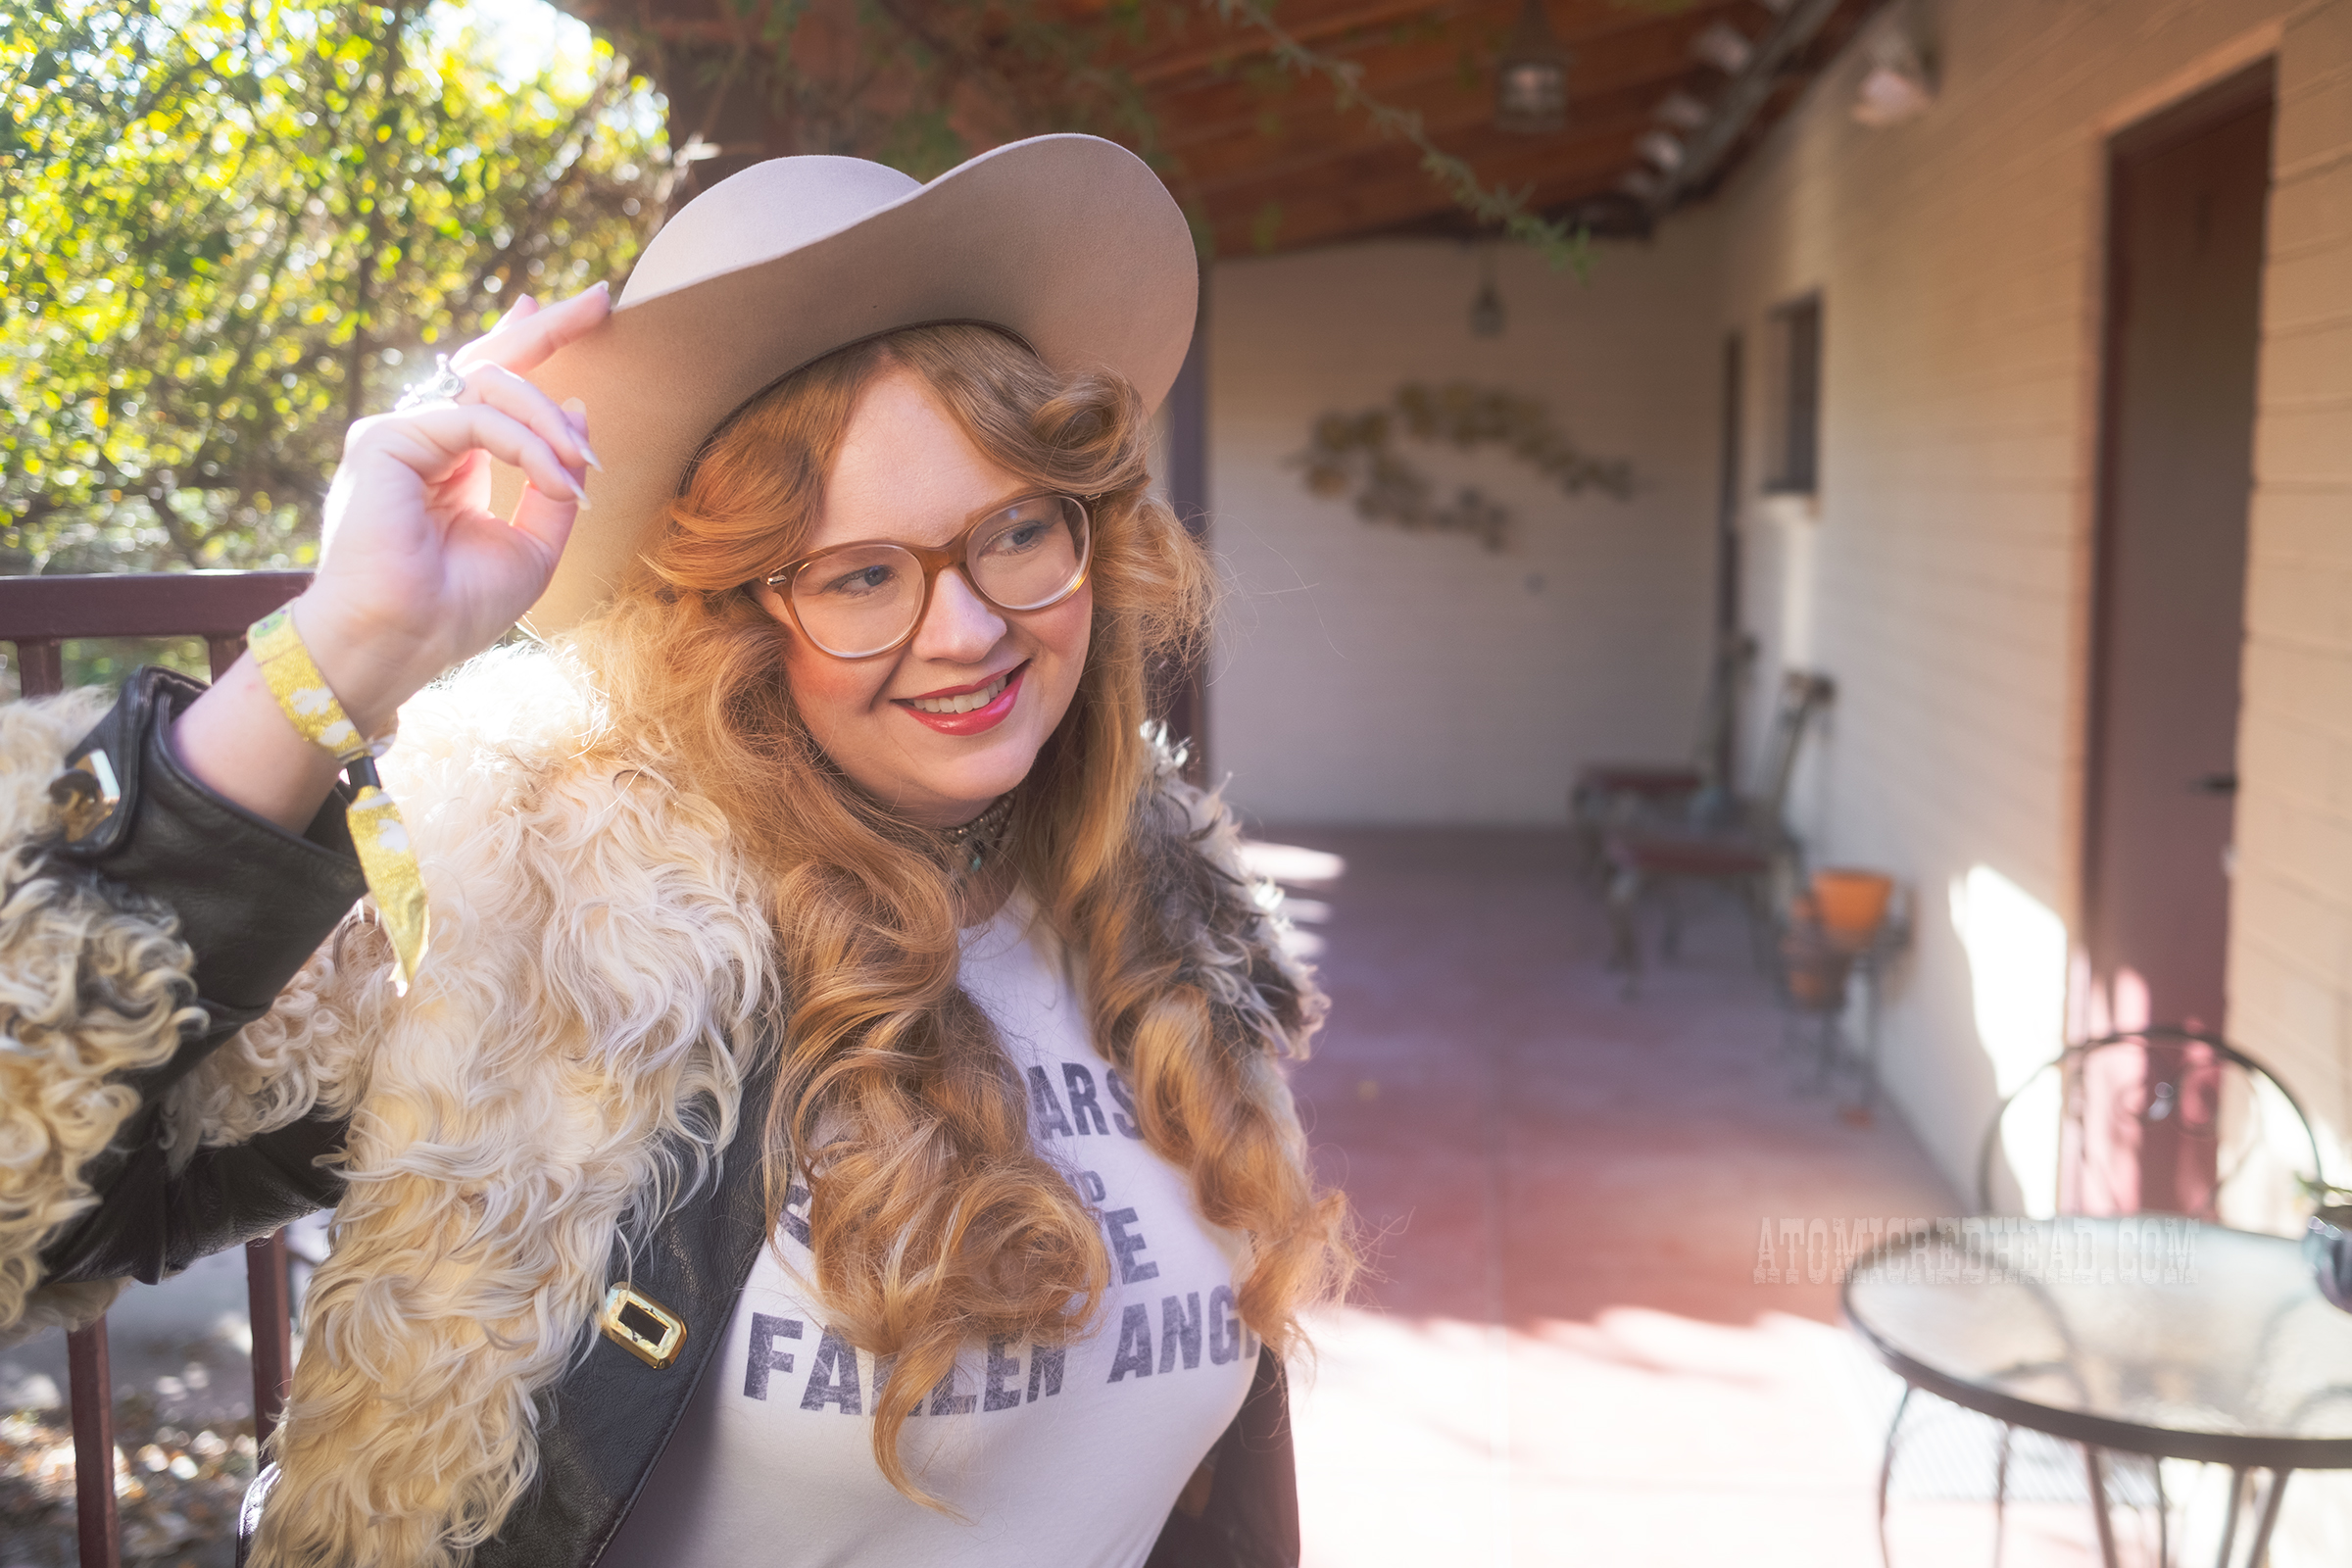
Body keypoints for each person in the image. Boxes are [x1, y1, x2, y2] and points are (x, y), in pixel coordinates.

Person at [0, 135, 1351, 1568]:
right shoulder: (552, 905)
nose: (967, 632)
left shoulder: (1167, 904)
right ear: (736, 617)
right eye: (864, 575)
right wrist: (340, 655)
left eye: (1016, 531)